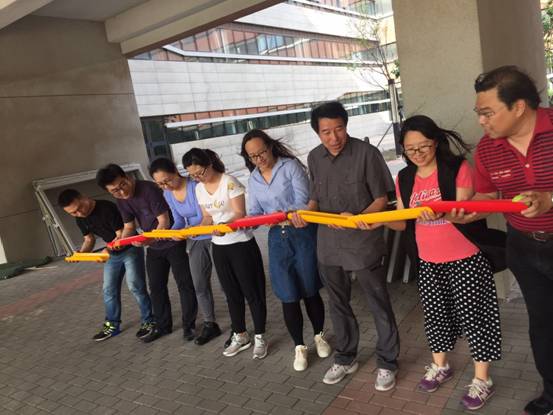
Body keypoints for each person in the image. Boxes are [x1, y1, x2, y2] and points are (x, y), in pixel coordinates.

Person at [381, 115, 502, 411]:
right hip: (428, 260)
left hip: (465, 258)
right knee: (436, 318)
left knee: (476, 319)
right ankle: (440, 366)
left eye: (423, 146)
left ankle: (482, 379)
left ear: (435, 142)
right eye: (410, 149)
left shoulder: (456, 168)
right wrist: (374, 221)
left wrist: (439, 212)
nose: (418, 153)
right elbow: (402, 221)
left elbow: (465, 212)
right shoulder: (404, 178)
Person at [452, 65, 553, 415]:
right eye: (478, 113)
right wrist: (466, 212)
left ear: (519, 107)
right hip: (523, 247)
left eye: (488, 113)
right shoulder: (487, 149)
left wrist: (550, 198)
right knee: (542, 323)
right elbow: (486, 197)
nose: (481, 121)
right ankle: (552, 394)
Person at [290, 101, 400, 388]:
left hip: (363, 243)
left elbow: (382, 199)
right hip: (328, 245)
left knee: (378, 304)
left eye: (338, 129)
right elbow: (315, 199)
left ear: (346, 125)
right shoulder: (315, 157)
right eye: (326, 132)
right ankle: (345, 357)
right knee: (338, 304)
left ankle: (387, 362)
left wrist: (358, 218)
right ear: (317, 133)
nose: (334, 137)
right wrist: (304, 214)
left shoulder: (367, 154)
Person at [240, 129, 331, 371]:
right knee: (288, 294)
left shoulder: (290, 167)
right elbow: (255, 212)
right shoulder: (254, 179)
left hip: (302, 234)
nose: (259, 159)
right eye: (252, 156)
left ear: (270, 147)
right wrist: (244, 222)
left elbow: (304, 199)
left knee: (309, 289)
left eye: (261, 152)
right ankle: (299, 346)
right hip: (277, 240)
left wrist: (283, 214)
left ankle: (319, 336)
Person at [96, 164, 198, 343]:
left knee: (184, 284)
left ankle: (189, 326)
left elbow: (164, 221)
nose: (121, 192)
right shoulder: (122, 200)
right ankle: (163, 326)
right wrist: (120, 242)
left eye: (122, 185)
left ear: (127, 177)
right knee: (156, 287)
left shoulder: (149, 190)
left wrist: (148, 240)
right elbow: (129, 226)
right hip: (154, 247)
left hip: (173, 241)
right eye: (115, 191)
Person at [182, 148, 268, 359]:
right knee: (231, 294)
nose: (197, 178)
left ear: (209, 164)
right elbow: (206, 217)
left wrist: (224, 226)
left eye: (200, 173)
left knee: (252, 293)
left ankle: (260, 336)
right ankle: (240, 334)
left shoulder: (229, 182)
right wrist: (197, 229)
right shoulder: (199, 189)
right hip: (219, 246)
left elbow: (240, 213)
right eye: (192, 175)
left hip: (241, 244)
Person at [58, 189, 154, 342]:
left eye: (79, 208)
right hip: (113, 255)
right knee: (108, 290)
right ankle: (112, 325)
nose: (79, 213)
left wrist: (107, 250)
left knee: (135, 286)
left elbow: (121, 233)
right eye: (73, 213)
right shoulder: (80, 219)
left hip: (130, 249)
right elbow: (89, 239)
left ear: (83, 197)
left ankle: (149, 321)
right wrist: (80, 254)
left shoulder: (107, 208)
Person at [149, 157, 221, 345]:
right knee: (199, 284)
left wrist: (189, 230)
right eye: (160, 184)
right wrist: (172, 233)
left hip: (215, 236)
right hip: (196, 241)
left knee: (225, 283)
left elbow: (204, 215)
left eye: (167, 180)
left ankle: (240, 326)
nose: (165, 186)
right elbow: (179, 220)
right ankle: (210, 324)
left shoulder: (195, 185)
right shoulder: (168, 194)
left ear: (175, 170)